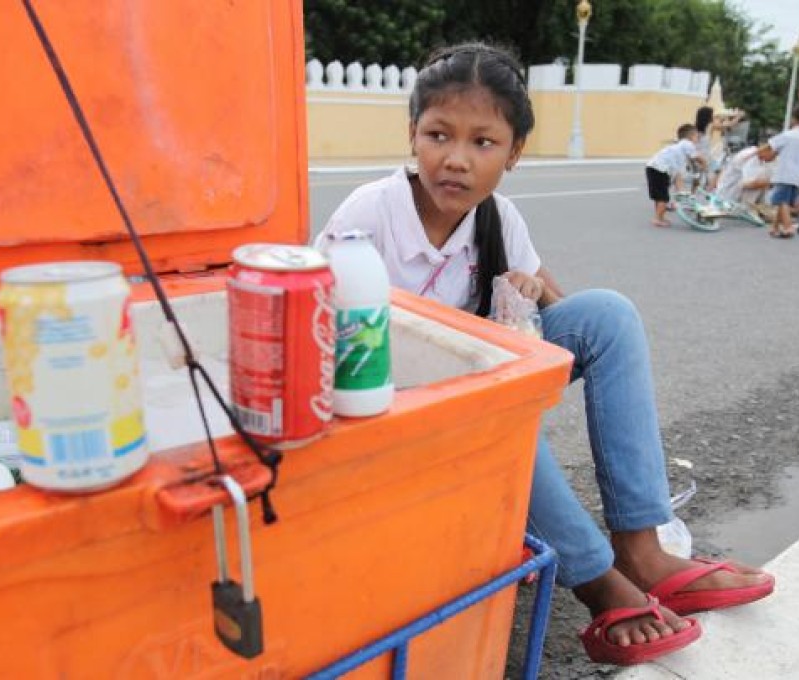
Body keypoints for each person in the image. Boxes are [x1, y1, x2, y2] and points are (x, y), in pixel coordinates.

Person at [316, 41, 774, 667]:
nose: (455, 159)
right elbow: (322, 329)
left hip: (476, 389)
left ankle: (641, 546)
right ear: (412, 136)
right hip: (392, 411)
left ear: (514, 154)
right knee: (500, 405)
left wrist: (530, 297)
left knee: (607, 314)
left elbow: (564, 318)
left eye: (483, 143)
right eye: (437, 135)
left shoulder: (499, 219)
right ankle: (596, 579)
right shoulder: (370, 214)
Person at [759, 103, 799, 238]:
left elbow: (768, 148)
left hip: (785, 174)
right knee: (785, 200)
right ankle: (775, 227)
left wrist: (759, 153)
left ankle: (788, 227)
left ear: (794, 118)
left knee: (782, 201)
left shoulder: (787, 135)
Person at [645, 124, 704, 227]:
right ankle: (657, 219)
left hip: (653, 167)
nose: (697, 139)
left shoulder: (678, 149)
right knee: (663, 197)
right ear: (691, 136)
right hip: (660, 168)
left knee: (659, 196)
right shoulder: (687, 144)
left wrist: (681, 192)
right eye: (696, 136)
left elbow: (678, 176)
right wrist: (705, 164)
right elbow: (697, 157)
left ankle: (660, 217)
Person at [716, 145, 773, 216]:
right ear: (767, 150)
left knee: (765, 179)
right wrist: (771, 183)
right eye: (774, 154)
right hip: (729, 198)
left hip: (738, 202)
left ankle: (757, 209)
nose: (774, 158)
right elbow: (747, 184)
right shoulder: (748, 156)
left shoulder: (761, 160)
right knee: (762, 181)